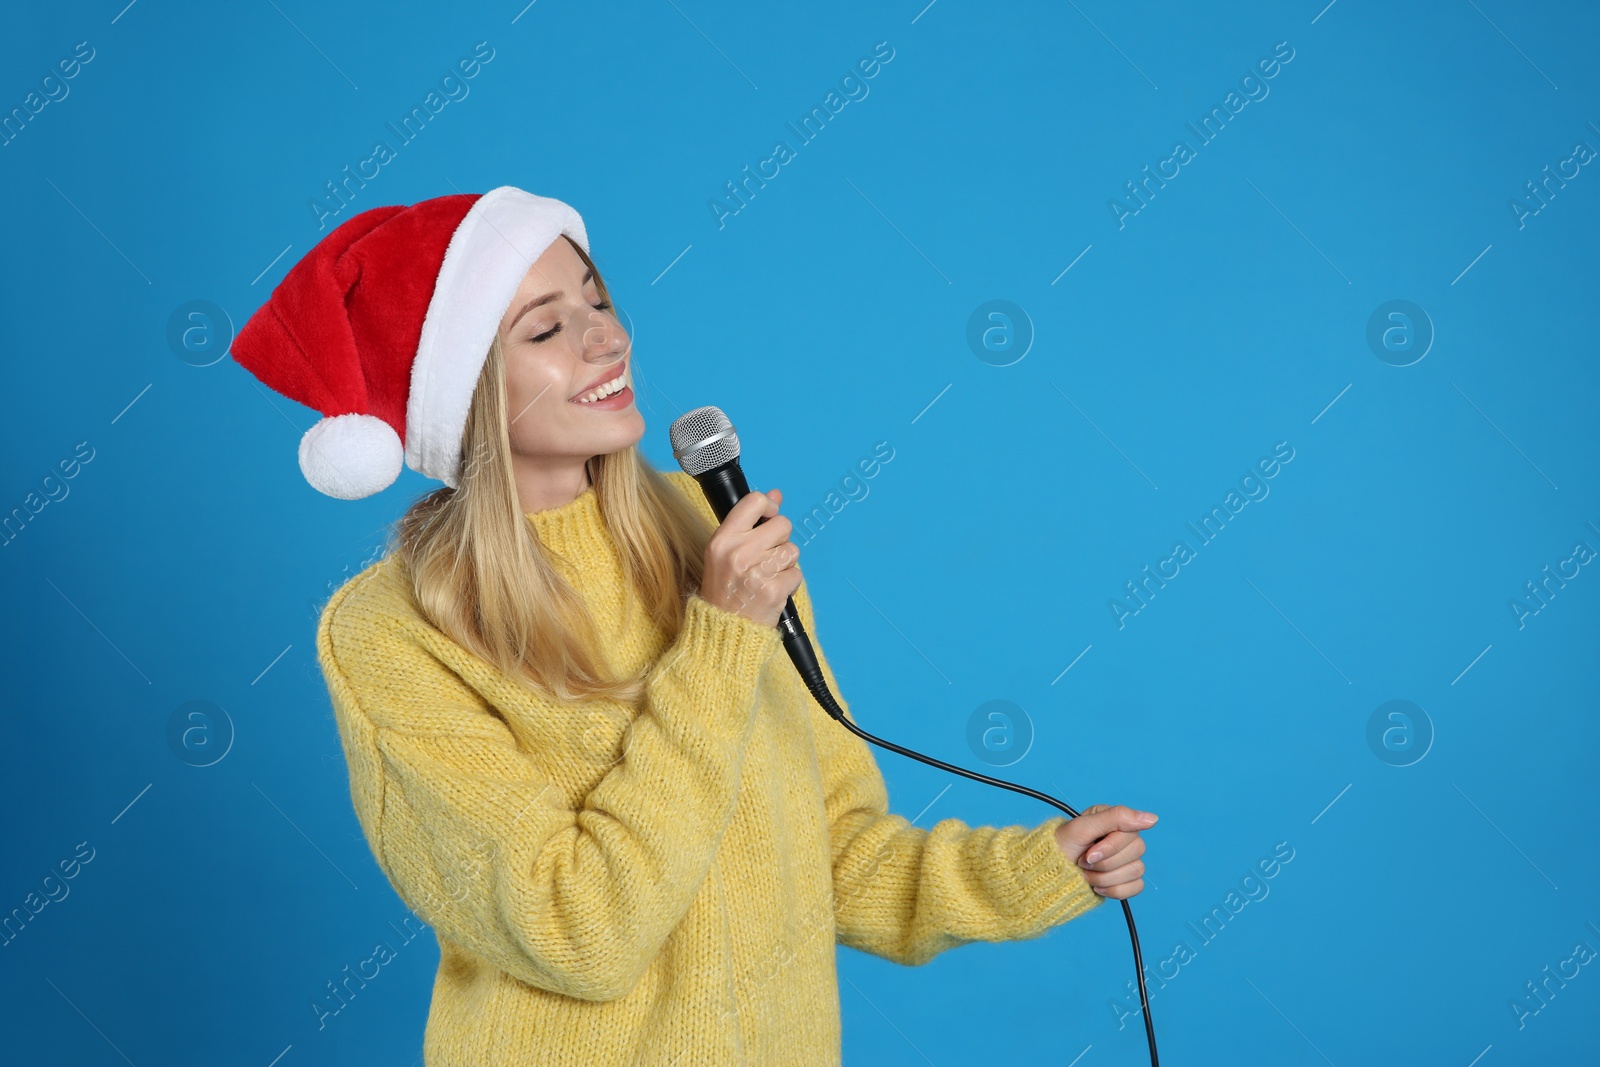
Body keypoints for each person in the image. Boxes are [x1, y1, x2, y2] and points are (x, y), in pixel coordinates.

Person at [231, 186, 1157, 1066]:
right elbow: (579, 932)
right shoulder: (391, 631)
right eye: (548, 328)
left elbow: (832, 851)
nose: (606, 339)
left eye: (597, 300)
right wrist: (719, 637)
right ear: (461, 388)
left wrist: (1040, 868)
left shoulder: (709, 532)